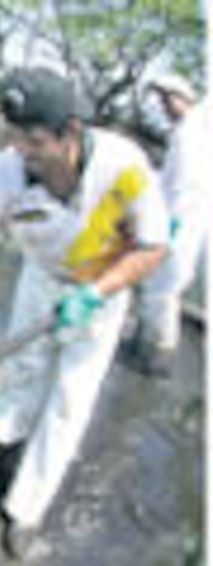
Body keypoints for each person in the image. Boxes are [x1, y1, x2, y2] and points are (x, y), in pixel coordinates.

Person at [0, 67, 169, 558]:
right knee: (20, 378)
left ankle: (24, 512)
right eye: (13, 136)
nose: (22, 149)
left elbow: (154, 246)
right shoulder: (4, 171)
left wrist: (95, 294)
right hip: (41, 278)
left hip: (100, 292)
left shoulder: (125, 166)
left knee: (69, 400)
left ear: (71, 132)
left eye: (35, 140)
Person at [128, 74, 210, 377]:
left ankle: (157, 356)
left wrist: (168, 226)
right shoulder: (192, 129)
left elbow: (183, 186)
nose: (164, 107)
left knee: (162, 288)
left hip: (182, 219)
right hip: (184, 217)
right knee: (161, 286)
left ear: (183, 98)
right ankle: (147, 343)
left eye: (167, 100)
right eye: (162, 101)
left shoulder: (190, 133)